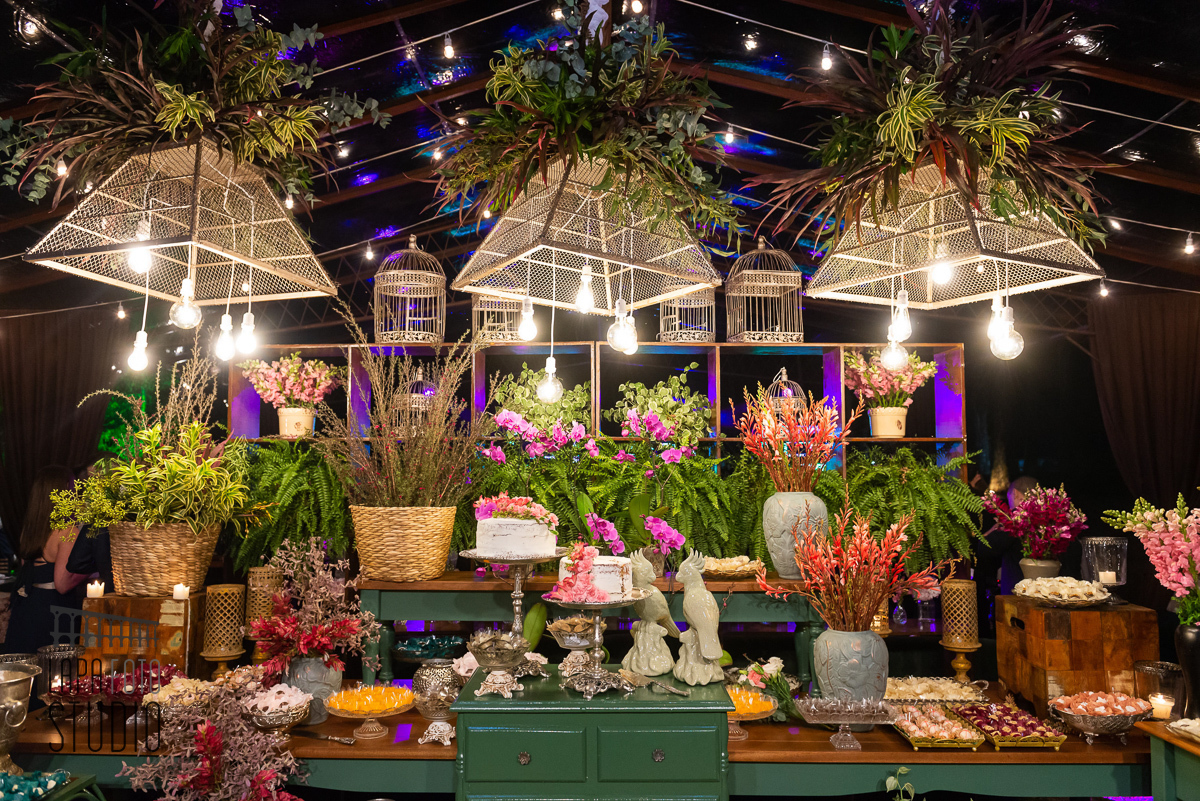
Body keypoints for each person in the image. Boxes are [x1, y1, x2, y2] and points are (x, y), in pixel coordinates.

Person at [3, 466, 91, 654]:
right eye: (73, 489)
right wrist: (89, 570)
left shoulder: (31, 529)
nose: (76, 495)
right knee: (53, 673)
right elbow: (61, 583)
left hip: (27, 607)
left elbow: (30, 570)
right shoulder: (67, 531)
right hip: (53, 612)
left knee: (28, 668)